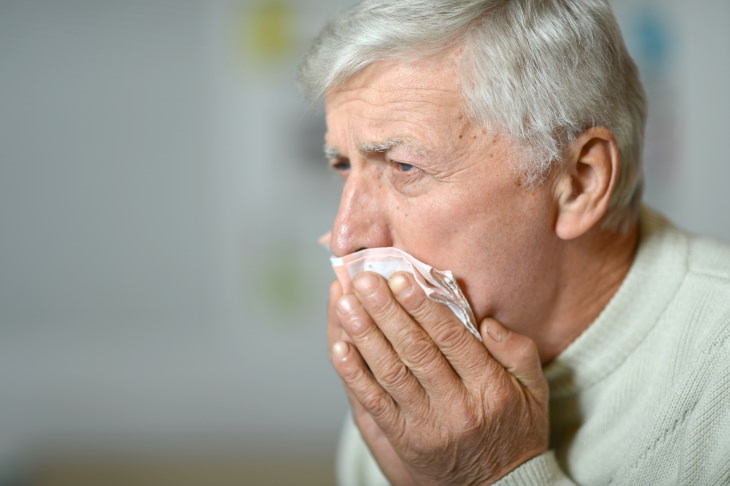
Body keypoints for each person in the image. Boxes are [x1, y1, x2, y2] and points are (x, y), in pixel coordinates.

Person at [297, 1, 730, 484]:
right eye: (342, 165)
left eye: (403, 167)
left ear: (579, 182)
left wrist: (495, 473)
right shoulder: (419, 382)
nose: (344, 236)